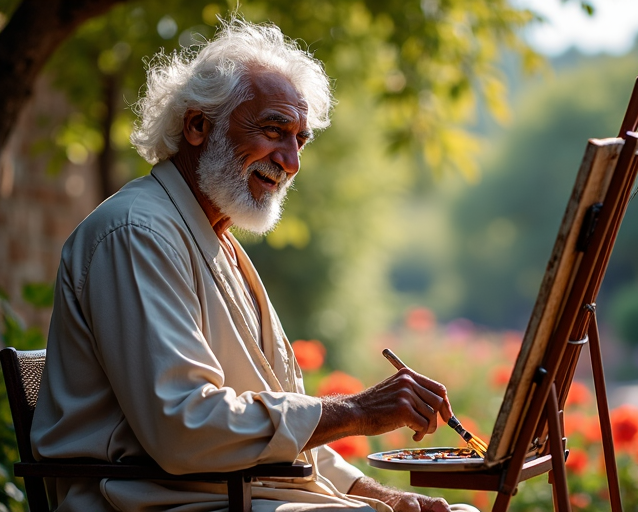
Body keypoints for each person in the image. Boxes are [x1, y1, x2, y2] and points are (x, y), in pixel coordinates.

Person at [30, 18, 477, 512]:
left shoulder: (216, 244)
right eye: (273, 130)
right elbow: (184, 426)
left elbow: (274, 431)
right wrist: (356, 411)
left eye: (300, 140)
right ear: (197, 125)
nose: (291, 161)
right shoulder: (138, 233)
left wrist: (381, 496)